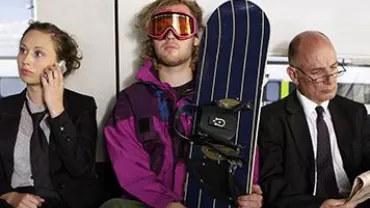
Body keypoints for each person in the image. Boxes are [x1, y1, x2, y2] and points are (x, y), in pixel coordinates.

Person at [103, 0, 263, 208]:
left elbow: (244, 155)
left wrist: (248, 191)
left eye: (182, 27)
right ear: (151, 38)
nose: (170, 34)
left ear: (195, 38)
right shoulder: (131, 101)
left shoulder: (222, 98)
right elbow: (130, 168)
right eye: (161, 27)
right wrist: (167, 203)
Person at [258, 31, 370, 208]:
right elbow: (271, 184)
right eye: (317, 72)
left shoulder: (355, 112)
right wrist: (320, 205)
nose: (330, 80)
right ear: (294, 75)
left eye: (334, 67)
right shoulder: (270, 119)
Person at [0, 21, 101, 208]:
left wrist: (56, 109)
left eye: (38, 53)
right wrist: (9, 195)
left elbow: (81, 168)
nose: (26, 59)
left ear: (60, 65)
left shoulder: (82, 106)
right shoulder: (4, 107)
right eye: (23, 50)